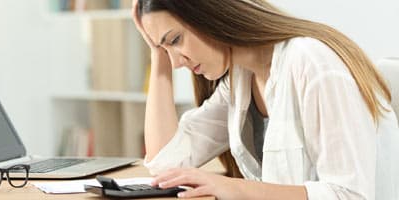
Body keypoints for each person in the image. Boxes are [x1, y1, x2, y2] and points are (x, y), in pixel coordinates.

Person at [132, 0, 399, 199]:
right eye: (165, 48)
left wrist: (234, 188)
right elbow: (165, 163)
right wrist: (158, 58)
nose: (176, 62)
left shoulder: (312, 63)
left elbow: (349, 195)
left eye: (175, 40)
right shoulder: (240, 80)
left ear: (210, 13)